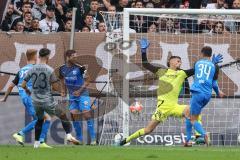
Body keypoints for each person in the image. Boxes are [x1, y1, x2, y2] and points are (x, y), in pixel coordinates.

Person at [120, 38, 223, 146]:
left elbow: (198, 69)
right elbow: (146, 65)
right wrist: (143, 51)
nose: (180, 62)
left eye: (180, 61)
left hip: (174, 106)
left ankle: (198, 137)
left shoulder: (182, 74)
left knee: (194, 112)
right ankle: (126, 140)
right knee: (148, 130)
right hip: (162, 107)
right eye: (178, 60)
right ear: (170, 62)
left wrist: (212, 63)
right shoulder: (161, 71)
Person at [21, 48, 79, 148]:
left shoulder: (32, 69)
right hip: (47, 100)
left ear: (39, 56)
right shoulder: (49, 70)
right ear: (48, 57)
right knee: (63, 115)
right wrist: (61, 91)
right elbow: (55, 86)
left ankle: (36, 144)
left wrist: (27, 90)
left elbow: (23, 85)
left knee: (39, 120)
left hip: (35, 101)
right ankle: (69, 135)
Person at [0, 49, 49, 147]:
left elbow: (10, 86)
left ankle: (41, 141)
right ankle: (20, 134)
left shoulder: (21, 70)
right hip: (31, 97)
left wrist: (5, 98)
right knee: (41, 119)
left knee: (45, 118)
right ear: (35, 57)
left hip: (25, 98)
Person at [185, 46, 225, 146]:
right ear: (211, 55)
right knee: (188, 115)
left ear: (201, 53)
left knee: (192, 118)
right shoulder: (214, 66)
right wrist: (218, 92)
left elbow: (197, 73)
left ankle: (204, 134)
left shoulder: (197, 63)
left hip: (197, 93)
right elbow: (214, 83)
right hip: (207, 95)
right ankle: (187, 141)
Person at [59, 50, 96, 145]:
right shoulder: (62, 69)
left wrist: (79, 91)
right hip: (72, 96)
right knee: (74, 116)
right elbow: (62, 80)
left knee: (86, 115)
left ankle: (93, 140)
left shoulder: (80, 68)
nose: (76, 58)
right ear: (68, 57)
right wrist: (63, 91)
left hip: (83, 94)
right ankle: (79, 139)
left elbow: (88, 80)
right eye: (74, 57)